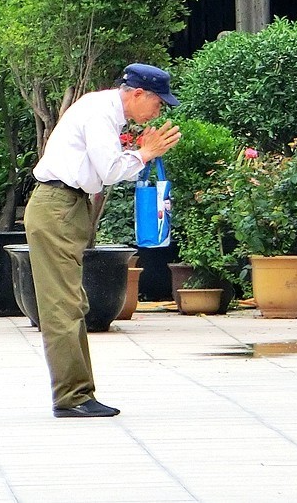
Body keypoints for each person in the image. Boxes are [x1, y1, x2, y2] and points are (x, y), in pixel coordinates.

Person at [26, 63, 182, 418]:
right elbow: (111, 170)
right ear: (138, 94)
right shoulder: (99, 113)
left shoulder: (104, 112)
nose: (159, 111)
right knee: (62, 307)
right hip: (58, 207)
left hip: (66, 206)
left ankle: (79, 393)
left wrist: (141, 153)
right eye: (158, 102)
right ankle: (71, 397)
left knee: (72, 304)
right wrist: (145, 153)